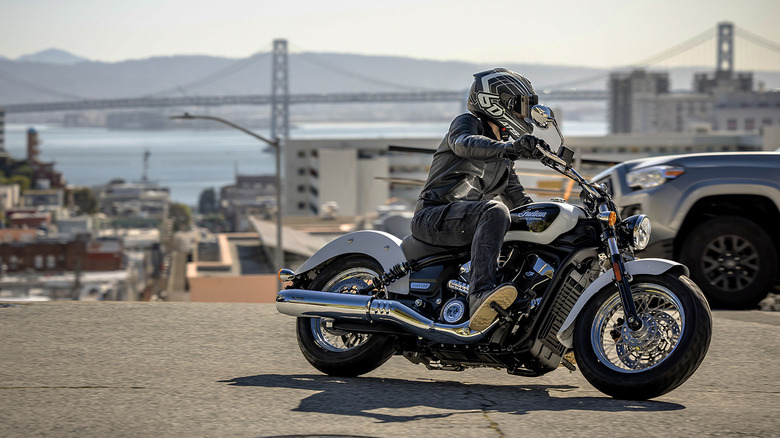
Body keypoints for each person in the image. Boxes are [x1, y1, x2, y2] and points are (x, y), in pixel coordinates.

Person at [410, 68, 549, 332]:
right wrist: (509, 148)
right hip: (434, 215)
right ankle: (480, 295)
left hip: (465, 220)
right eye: (520, 105)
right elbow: (463, 143)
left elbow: (520, 201)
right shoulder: (468, 123)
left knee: (531, 220)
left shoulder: (504, 153)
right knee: (496, 210)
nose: (525, 113)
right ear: (495, 102)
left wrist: (545, 215)